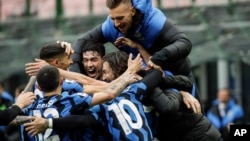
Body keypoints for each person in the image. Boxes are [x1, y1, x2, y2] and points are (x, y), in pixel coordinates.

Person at [70, 0, 204, 113]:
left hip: (178, 80)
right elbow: (80, 43)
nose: (116, 24)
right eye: (113, 18)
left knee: (192, 116)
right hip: (149, 81)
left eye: (120, 18)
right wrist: (76, 77)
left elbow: (184, 43)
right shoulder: (110, 27)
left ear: (132, 11)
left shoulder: (154, 22)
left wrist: (157, 58)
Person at [22, 64, 140, 141]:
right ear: (62, 81)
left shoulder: (30, 108)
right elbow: (109, 94)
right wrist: (125, 80)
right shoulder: (69, 99)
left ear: (40, 88)